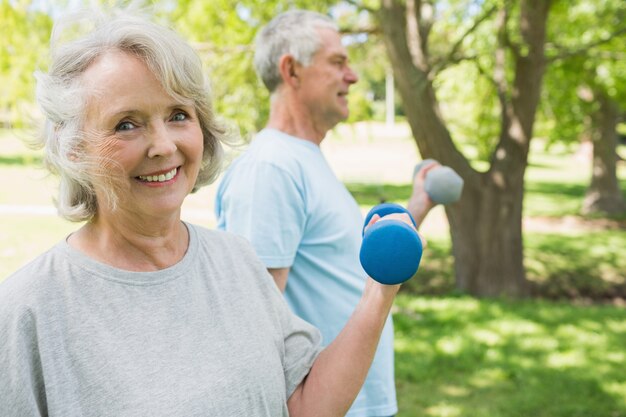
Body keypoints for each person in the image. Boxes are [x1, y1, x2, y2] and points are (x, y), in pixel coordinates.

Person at [0, 8, 420, 417]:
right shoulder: (28, 311)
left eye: (179, 115)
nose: (163, 145)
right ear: (74, 147)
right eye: (127, 124)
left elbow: (303, 406)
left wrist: (379, 290)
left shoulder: (237, 261)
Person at [215, 10, 438, 417]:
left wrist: (416, 208)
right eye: (338, 62)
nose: (352, 76)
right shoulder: (272, 169)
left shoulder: (302, 159)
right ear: (291, 70)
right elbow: (256, 330)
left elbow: (352, 269)